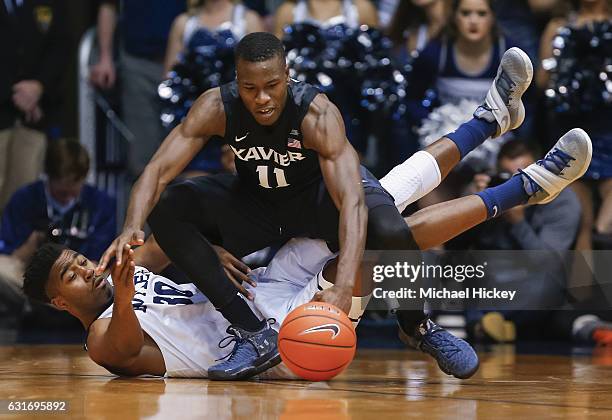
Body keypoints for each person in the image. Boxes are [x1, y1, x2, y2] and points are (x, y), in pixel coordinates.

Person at [95, 31, 534, 380]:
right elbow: (155, 171)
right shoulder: (217, 106)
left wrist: (343, 286)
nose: (262, 99)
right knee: (169, 206)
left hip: (318, 200)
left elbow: (353, 205)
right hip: (261, 205)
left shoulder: (316, 113)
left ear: (287, 75)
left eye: (271, 86)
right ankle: (252, 332)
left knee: (394, 233)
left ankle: (417, 326)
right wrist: (132, 225)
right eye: (250, 88)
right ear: (236, 81)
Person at [22, 124, 592, 378]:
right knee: (371, 247)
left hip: (264, 284)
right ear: (57, 303)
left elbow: (176, 235)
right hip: (281, 339)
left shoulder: (128, 266)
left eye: (78, 261)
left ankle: (489, 129)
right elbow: (123, 346)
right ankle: (518, 185)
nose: (85, 270)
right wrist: (121, 297)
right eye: (71, 276)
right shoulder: (99, 338)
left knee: (372, 203)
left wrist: (210, 250)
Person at [458, 138, 581, 342]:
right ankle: (489, 325)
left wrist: (518, 223)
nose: (520, 185)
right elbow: (458, 243)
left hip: (534, 278)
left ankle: (487, 326)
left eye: (526, 175)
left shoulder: (564, 200)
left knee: (549, 279)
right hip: (492, 275)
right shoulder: (489, 192)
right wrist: (473, 203)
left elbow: (548, 261)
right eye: (510, 177)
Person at [0, 139, 116, 309]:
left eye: (75, 185)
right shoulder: (24, 198)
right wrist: (33, 243)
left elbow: (101, 257)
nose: (68, 194)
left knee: (111, 276)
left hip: (80, 281)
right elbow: (10, 252)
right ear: (48, 176)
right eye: (61, 189)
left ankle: (63, 305)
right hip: (28, 276)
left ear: (84, 178)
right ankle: (47, 305)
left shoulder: (101, 204)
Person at [537, 0, 612, 252]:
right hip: (570, 129)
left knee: (603, 224)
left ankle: (602, 246)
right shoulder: (558, 26)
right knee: (581, 220)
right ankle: (584, 291)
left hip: (609, 127)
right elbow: (541, 82)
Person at [89, 0, 187, 179]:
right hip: (138, 62)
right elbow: (108, 6)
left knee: (187, 153)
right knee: (142, 158)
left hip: (184, 64)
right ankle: (145, 206)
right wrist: (105, 57)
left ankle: (182, 205)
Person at [0, 0, 70, 212]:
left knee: (22, 200)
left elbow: (61, 44)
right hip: (7, 107)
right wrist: (15, 93)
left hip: (35, 116)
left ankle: (14, 246)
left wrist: (39, 87)